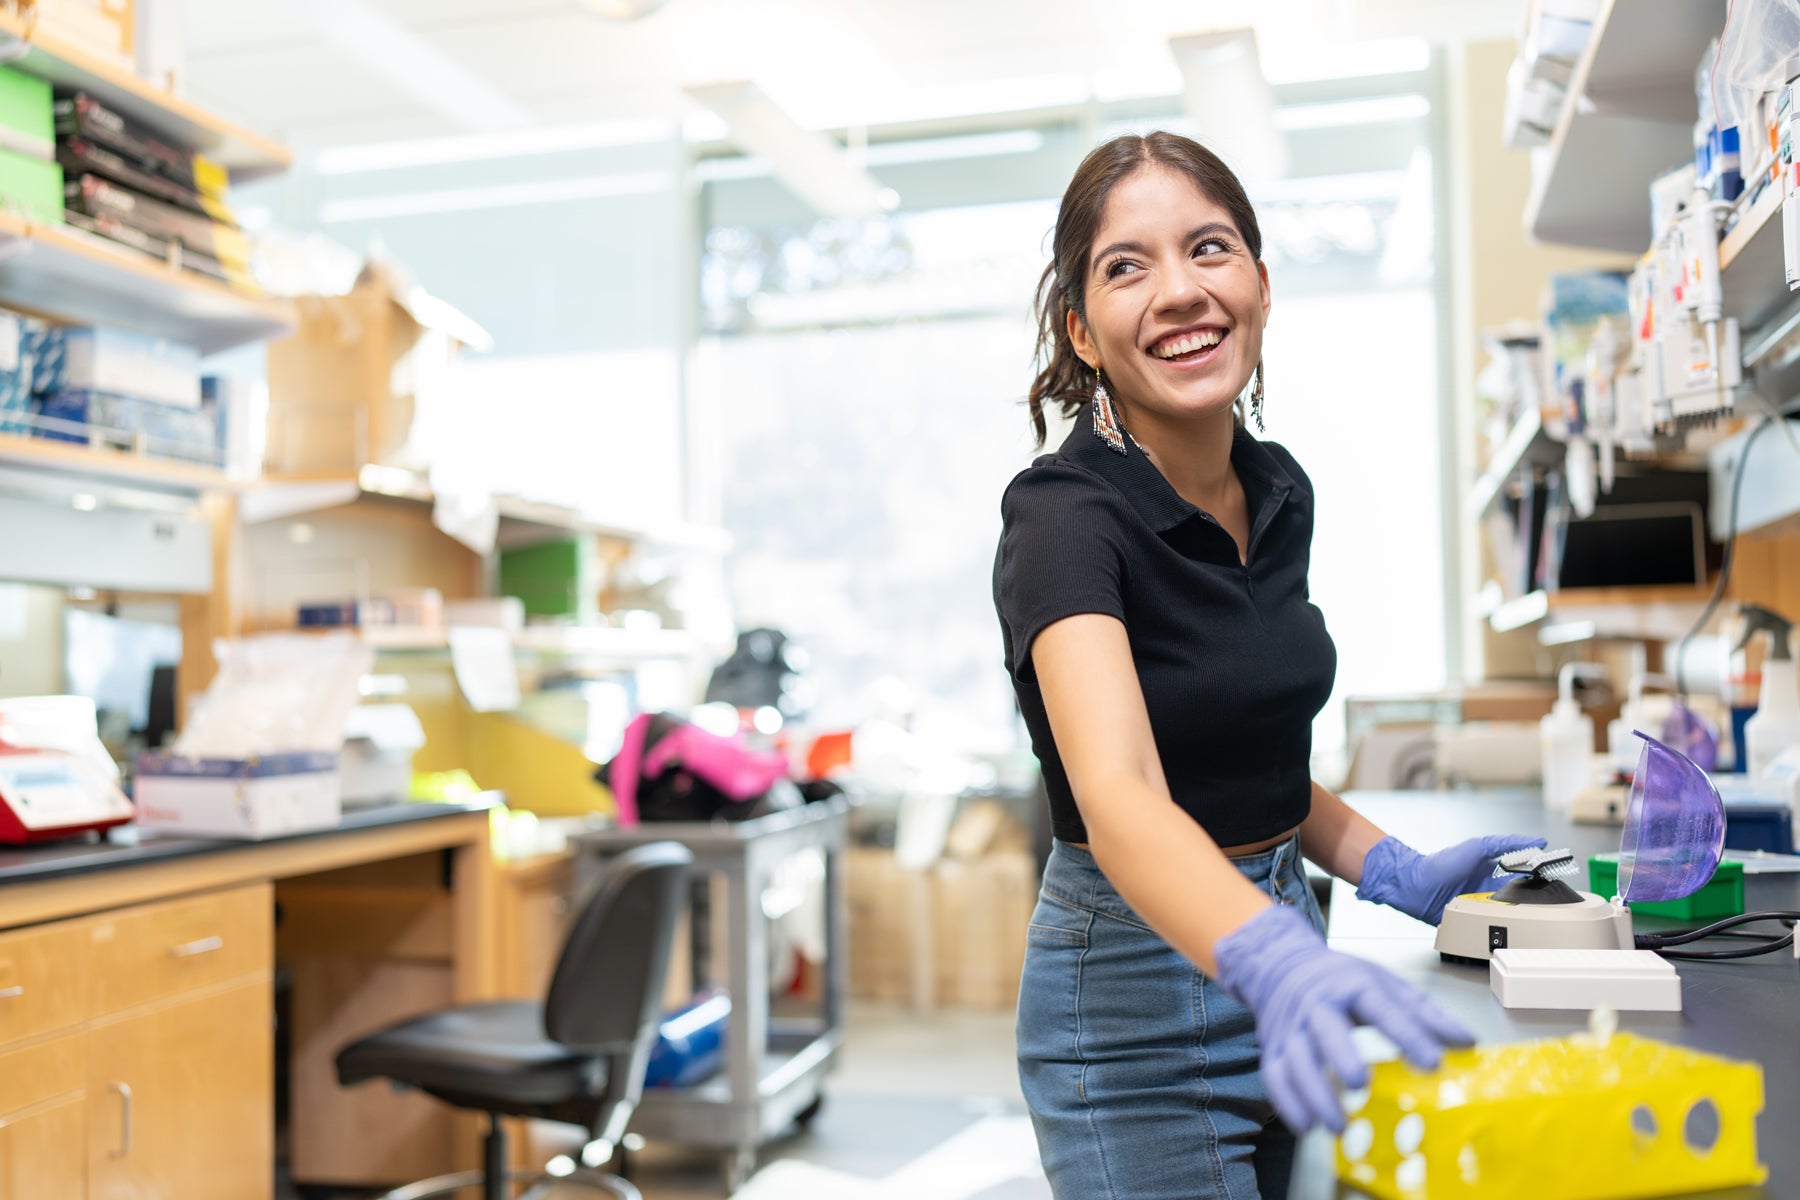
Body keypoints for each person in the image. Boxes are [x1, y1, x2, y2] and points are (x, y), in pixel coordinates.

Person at [992, 131, 1545, 1199]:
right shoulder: (1062, 521)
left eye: (1210, 248)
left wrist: (1388, 870)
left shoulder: (1277, 489)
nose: (1180, 292)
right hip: (1134, 1007)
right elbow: (1121, 796)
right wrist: (1275, 959)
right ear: (1082, 331)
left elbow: (1246, 756)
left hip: (1287, 946)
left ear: (1258, 281)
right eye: (1126, 266)